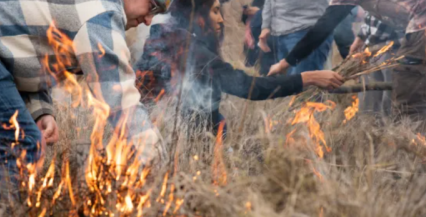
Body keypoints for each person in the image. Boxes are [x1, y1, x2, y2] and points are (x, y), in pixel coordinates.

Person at [0, 0, 170, 196]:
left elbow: (19, 44)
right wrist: (158, 166)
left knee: (19, 141)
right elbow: (121, 102)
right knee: (17, 143)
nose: (149, 20)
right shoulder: (101, 16)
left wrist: (40, 109)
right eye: (152, 6)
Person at [135, 0, 345, 136]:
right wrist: (307, 78)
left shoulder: (165, 36)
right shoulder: (191, 51)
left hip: (151, 127)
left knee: (217, 120)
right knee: (217, 125)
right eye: (215, 11)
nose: (222, 19)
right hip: (166, 134)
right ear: (196, 16)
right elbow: (249, 87)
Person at [267, 0, 426, 129]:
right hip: (416, 27)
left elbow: (322, 29)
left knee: (409, 98)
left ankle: (414, 155)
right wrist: (362, 37)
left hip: (421, 30)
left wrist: (285, 63)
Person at [258, 0, 334, 75]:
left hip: (307, 30)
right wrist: (265, 26)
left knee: (305, 83)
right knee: (288, 84)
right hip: (281, 35)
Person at [350, 12, 403, 116]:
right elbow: (371, 13)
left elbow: (389, 15)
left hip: (394, 48)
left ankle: (392, 130)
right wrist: (361, 37)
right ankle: (371, 129)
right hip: (374, 47)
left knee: (392, 102)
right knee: (369, 102)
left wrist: (368, 43)